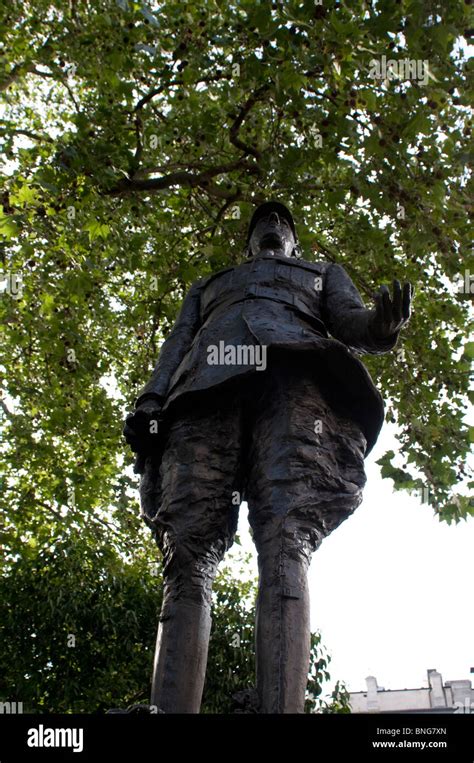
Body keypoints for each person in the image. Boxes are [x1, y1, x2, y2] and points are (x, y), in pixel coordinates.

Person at [123, 201, 412, 713]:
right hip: (203, 389)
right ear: (250, 240)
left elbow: (350, 322)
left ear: (295, 243)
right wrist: (151, 398)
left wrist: (381, 326)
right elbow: (179, 341)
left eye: (283, 223)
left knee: (286, 538)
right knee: (187, 549)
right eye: (264, 222)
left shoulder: (322, 275)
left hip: (295, 381)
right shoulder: (210, 285)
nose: (273, 227)